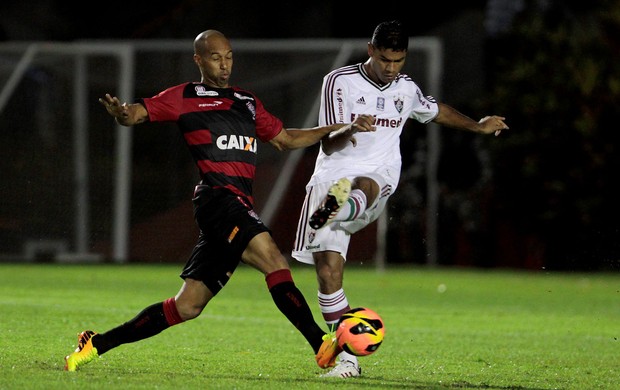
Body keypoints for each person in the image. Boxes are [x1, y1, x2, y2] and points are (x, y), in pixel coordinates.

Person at [63, 29, 376, 373]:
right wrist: (121, 113)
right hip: (218, 199)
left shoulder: (247, 101)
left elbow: (285, 139)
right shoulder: (184, 96)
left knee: (187, 306)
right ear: (198, 60)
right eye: (216, 57)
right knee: (274, 260)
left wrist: (338, 127)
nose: (225, 64)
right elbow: (135, 114)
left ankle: (96, 343)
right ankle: (322, 344)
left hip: (234, 204)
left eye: (228, 56)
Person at [291, 20, 509, 378]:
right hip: (332, 175)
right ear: (370, 50)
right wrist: (350, 128)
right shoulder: (339, 81)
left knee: (365, 181)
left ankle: (342, 206)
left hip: (377, 177)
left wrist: (477, 125)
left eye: (399, 61)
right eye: (385, 60)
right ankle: (349, 361)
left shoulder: (405, 89)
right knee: (328, 275)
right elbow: (327, 142)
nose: (392, 69)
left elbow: (435, 111)